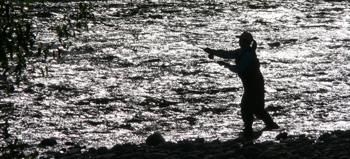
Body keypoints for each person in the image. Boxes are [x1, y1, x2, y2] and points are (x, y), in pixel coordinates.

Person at [203, 31, 279, 137]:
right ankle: (270, 125)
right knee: (257, 108)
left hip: (254, 84)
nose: (238, 41)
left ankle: (249, 129)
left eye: (240, 40)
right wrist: (213, 52)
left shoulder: (248, 54)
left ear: (244, 42)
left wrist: (225, 65)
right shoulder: (242, 52)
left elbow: (238, 68)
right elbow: (227, 54)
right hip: (253, 83)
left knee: (246, 106)